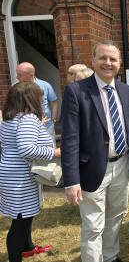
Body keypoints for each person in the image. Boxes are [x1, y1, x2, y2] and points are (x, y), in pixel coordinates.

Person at [60, 40, 129, 262]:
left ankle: (110, 256)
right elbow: (69, 139)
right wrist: (71, 181)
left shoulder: (126, 90)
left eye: (113, 59)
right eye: (103, 58)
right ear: (93, 60)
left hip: (123, 163)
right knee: (93, 225)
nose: (108, 63)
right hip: (92, 169)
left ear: (119, 63)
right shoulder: (75, 91)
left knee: (115, 217)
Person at [0, 82, 61, 261]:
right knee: (21, 220)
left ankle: (27, 247)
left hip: (11, 173)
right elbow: (27, 149)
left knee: (24, 214)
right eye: (39, 95)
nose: (42, 99)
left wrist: (39, 124)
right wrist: (55, 152)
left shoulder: (10, 117)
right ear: (30, 97)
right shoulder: (27, 119)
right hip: (21, 176)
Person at [15, 62, 58, 147]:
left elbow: (54, 104)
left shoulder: (45, 85)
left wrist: (53, 120)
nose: (17, 77)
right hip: (25, 127)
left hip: (47, 125)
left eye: (20, 74)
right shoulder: (15, 87)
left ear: (31, 75)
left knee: (50, 149)